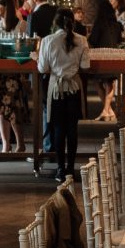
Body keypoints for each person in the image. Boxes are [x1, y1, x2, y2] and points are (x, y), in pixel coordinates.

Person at [37, 9, 91, 181]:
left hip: (56, 89)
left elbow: (42, 68)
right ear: (72, 22)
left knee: (58, 129)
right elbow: (85, 66)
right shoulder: (82, 40)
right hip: (74, 87)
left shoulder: (48, 40)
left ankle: (60, 169)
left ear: (55, 23)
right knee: (72, 129)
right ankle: (70, 169)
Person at [0, 0, 30, 154]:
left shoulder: (22, 25)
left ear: (7, 7)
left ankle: (20, 143)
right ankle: (5, 144)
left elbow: (27, 48)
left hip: (14, 71)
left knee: (14, 108)